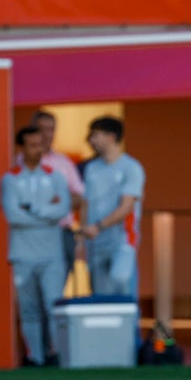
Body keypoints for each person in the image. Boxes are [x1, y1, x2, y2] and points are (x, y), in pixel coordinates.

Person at [1, 126, 71, 366]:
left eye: (40, 145)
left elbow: (62, 210)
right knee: (28, 309)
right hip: (22, 255)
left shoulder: (56, 176)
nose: (38, 150)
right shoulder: (10, 179)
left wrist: (33, 209)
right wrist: (46, 215)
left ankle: (56, 354)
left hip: (52, 254)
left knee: (54, 305)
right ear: (22, 148)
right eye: (32, 146)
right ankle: (35, 356)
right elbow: (13, 216)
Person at [81, 116, 145, 298]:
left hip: (122, 240)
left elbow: (126, 207)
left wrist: (99, 226)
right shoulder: (91, 169)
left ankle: (131, 327)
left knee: (122, 286)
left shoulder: (131, 168)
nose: (91, 140)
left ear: (111, 137)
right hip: (96, 242)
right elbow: (87, 203)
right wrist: (82, 239)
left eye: (95, 135)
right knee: (101, 297)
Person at [22, 110, 84, 279]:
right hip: (33, 234)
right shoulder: (21, 162)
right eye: (42, 129)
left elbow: (79, 196)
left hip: (62, 233)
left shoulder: (64, 163)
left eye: (51, 129)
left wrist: (55, 204)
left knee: (58, 292)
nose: (47, 134)